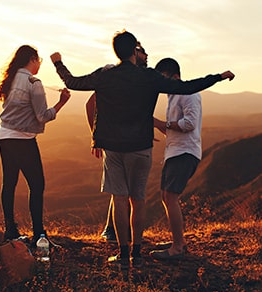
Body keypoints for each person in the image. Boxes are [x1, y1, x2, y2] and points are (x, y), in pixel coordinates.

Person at [50, 30, 235, 269]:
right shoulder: (148, 77)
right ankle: (137, 254)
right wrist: (218, 76)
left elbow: (73, 82)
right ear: (134, 52)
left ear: (116, 51)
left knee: (119, 200)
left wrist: (58, 63)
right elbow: (188, 87)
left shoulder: (106, 75)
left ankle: (123, 254)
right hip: (141, 146)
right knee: (138, 200)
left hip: (114, 148)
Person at [0, 45, 71, 247]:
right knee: (37, 184)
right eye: (39, 61)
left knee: (9, 183)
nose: (39, 65)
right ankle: (39, 235)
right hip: (23, 139)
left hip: (3, 135)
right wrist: (61, 102)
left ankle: (10, 231)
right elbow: (42, 116)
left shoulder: (11, 79)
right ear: (32, 59)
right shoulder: (33, 82)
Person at [85, 41, 148, 243]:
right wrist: (96, 136)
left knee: (123, 190)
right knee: (120, 191)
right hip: (115, 141)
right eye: (142, 51)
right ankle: (112, 231)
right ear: (133, 53)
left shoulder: (136, 78)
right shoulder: (114, 74)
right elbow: (90, 103)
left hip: (128, 139)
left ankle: (118, 233)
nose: (147, 56)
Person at [149, 58, 204, 260]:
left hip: (185, 152)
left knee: (170, 197)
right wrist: (156, 124)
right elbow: (174, 127)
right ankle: (177, 240)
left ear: (174, 76)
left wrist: (164, 123)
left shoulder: (187, 93)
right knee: (166, 196)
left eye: (162, 78)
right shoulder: (173, 96)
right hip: (175, 152)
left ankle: (178, 248)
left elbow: (189, 123)